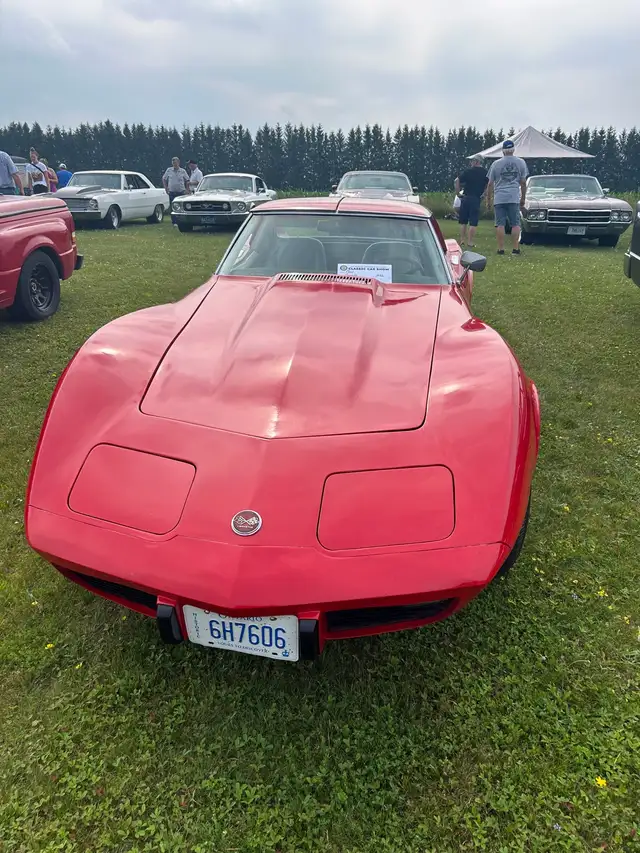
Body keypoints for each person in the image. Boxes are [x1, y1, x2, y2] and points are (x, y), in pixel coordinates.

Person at [486, 140, 528, 255]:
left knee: (500, 224)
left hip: (499, 197)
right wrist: (523, 198)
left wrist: (488, 200)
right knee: (515, 224)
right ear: (513, 150)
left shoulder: (495, 164)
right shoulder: (521, 163)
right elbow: (523, 182)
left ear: (502, 151)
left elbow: (490, 184)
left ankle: (501, 249)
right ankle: (515, 248)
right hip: (513, 197)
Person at [455, 156, 488, 247]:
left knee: (463, 221)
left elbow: (457, 180)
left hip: (465, 197)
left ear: (476, 162)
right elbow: (488, 184)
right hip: (476, 198)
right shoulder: (485, 172)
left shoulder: (467, 171)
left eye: (472, 161)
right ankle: (470, 242)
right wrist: (484, 194)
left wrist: (458, 193)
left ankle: (462, 240)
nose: (471, 163)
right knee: (473, 222)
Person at [163, 157, 190, 224]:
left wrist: (187, 189)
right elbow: (164, 179)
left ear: (178, 163)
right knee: (173, 207)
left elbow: (187, 180)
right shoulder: (169, 170)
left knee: (182, 207)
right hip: (172, 192)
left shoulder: (183, 171)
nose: (174, 164)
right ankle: (174, 221)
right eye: (173, 163)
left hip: (181, 192)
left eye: (175, 163)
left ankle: (182, 221)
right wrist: (166, 188)